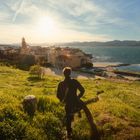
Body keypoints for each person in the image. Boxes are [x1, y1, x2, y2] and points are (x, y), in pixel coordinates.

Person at [57, 67, 85, 138]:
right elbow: (82, 90)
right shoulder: (74, 81)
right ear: (70, 73)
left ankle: (68, 133)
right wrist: (78, 97)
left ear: (63, 74)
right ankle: (78, 130)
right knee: (77, 115)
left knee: (68, 117)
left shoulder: (60, 84)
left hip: (67, 104)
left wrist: (62, 100)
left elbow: (58, 95)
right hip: (75, 103)